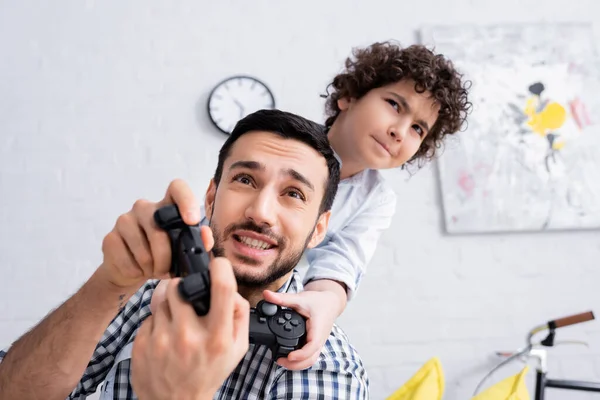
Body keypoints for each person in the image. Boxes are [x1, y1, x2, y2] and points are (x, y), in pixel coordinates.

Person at [0, 109, 369, 399]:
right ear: (211, 197)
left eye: (294, 194)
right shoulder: (146, 292)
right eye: (244, 180)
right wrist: (107, 284)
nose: (261, 212)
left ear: (319, 228)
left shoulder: (330, 367)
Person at [152, 41, 473, 370]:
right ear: (348, 95)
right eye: (394, 104)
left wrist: (323, 304)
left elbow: (342, 262)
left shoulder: (376, 200)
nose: (399, 131)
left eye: (418, 128)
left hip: (262, 297)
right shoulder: (286, 145)